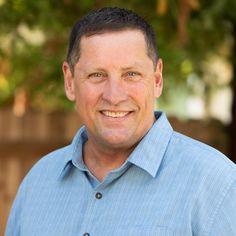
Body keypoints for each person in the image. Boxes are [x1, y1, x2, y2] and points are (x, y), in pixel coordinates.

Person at [5, 7, 236, 236]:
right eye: (97, 75)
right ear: (69, 82)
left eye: (131, 74)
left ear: (156, 80)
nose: (114, 96)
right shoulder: (38, 183)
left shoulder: (217, 184)